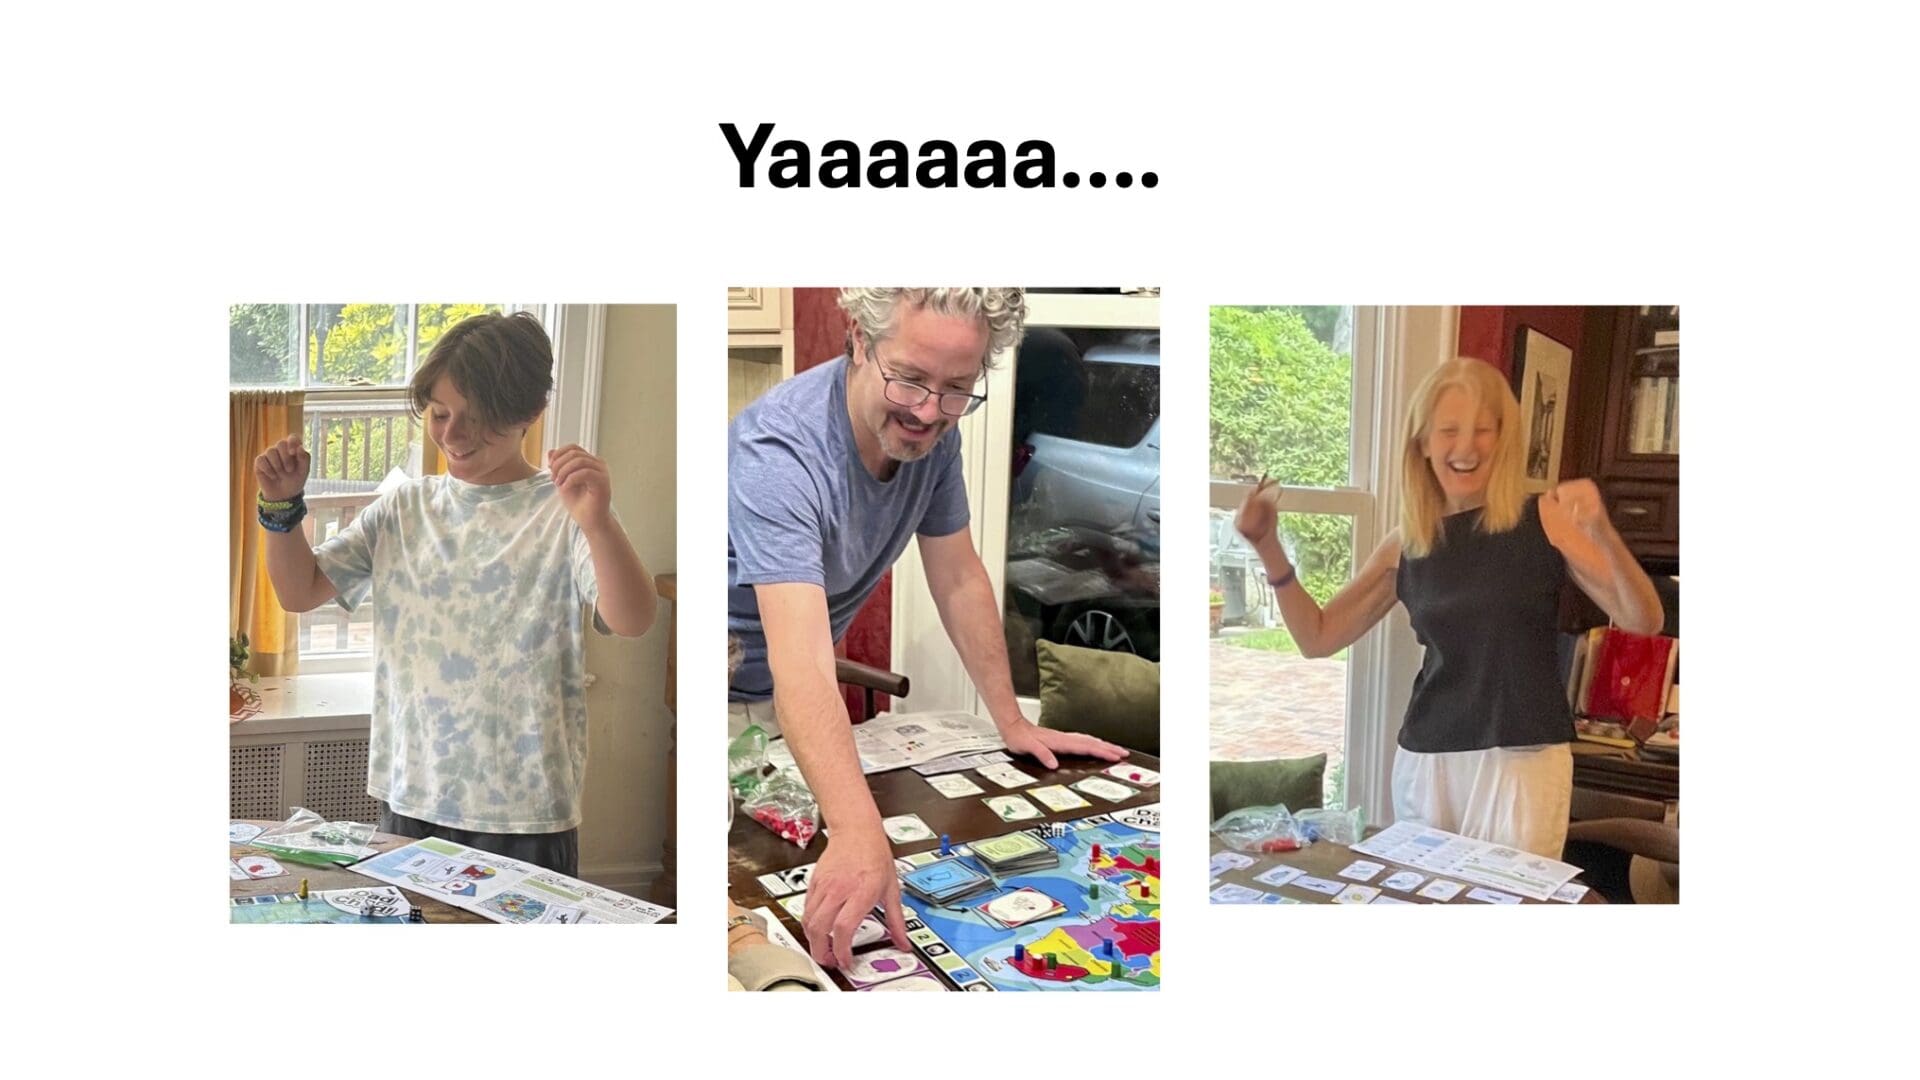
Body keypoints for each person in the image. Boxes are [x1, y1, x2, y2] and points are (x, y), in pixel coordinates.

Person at [729, 288, 1126, 970]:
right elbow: (802, 664)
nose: (927, 411)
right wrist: (858, 831)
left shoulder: (936, 435)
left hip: (793, 694)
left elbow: (959, 576)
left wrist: (1011, 720)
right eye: (909, 378)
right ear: (858, 338)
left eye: (956, 389)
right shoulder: (779, 452)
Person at [253, 312, 658, 878]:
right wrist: (280, 507)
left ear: (529, 414)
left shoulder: (563, 511)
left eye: (481, 419)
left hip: (525, 811)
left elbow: (634, 618)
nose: (454, 435)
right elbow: (299, 592)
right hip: (411, 793)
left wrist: (598, 524)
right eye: (440, 415)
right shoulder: (402, 508)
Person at [1235, 356, 1662, 858]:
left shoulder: (1544, 517)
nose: (1465, 448)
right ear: (1422, 443)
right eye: (1449, 431)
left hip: (1523, 762)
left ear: (1504, 438)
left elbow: (1644, 619)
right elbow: (1318, 637)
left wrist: (1601, 531)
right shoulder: (1408, 542)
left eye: (1482, 430)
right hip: (1428, 761)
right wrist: (1268, 544)